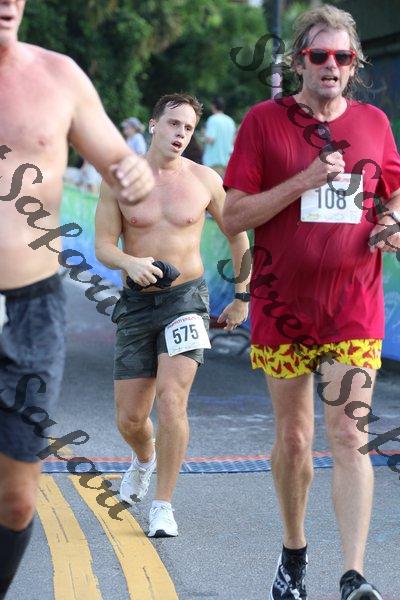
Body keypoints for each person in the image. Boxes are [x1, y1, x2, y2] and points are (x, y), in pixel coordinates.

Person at [222, 4, 400, 600]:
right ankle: (294, 553)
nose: (330, 65)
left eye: (342, 57)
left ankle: (354, 575)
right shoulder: (263, 122)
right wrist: (302, 181)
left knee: (348, 435)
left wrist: (390, 222)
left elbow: (394, 192)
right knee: (295, 439)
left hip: (353, 305)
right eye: (318, 55)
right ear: (298, 61)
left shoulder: (374, 122)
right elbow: (234, 215)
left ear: (355, 65)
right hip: (282, 307)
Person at [0, 1, 154, 597]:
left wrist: (132, 177)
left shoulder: (58, 75)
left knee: (16, 500)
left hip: (32, 310)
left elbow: (120, 163)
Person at [95, 93, 250, 538]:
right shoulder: (119, 179)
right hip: (136, 304)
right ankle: (145, 459)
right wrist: (129, 262)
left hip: (187, 300)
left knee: (172, 399)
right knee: (129, 418)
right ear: (153, 125)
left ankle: (163, 505)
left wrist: (242, 296)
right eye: (173, 124)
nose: (180, 134)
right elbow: (104, 245)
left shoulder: (205, 180)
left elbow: (239, 237)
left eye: (188, 128)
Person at [202, 97, 236, 177]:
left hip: (213, 161)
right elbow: (233, 140)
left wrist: (204, 135)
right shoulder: (230, 120)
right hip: (227, 161)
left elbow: (210, 139)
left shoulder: (213, 119)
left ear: (213, 106)